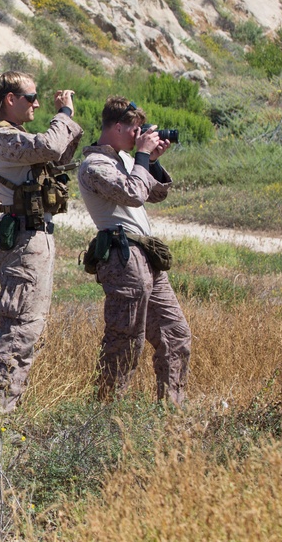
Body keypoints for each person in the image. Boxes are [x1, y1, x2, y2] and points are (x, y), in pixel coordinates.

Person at [0, 70, 83, 415]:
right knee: (20, 328)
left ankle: (2, 414)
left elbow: (58, 157)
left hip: (32, 236)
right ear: (10, 99)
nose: (36, 103)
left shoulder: (16, 138)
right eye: (30, 97)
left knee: (29, 326)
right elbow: (49, 146)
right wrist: (63, 115)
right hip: (24, 239)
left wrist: (68, 124)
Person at [77, 96, 191, 406]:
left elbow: (154, 194)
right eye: (135, 130)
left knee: (175, 334)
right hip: (122, 258)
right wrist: (141, 155)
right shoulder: (94, 165)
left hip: (148, 257)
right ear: (117, 127)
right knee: (125, 341)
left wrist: (150, 160)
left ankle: (171, 410)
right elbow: (132, 194)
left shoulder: (128, 159)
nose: (139, 136)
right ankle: (104, 416)